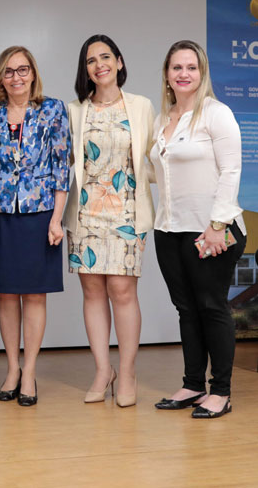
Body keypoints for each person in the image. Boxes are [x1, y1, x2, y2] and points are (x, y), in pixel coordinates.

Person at [150, 40, 246, 419]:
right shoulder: (163, 119)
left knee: (212, 306)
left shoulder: (216, 114)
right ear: (167, 74)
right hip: (169, 230)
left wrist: (217, 225)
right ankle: (193, 384)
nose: (184, 74)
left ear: (202, 73)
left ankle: (220, 391)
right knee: (186, 308)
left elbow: (232, 170)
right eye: (177, 67)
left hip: (212, 232)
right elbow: (161, 173)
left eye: (191, 67)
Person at [0, 45, 70, 407]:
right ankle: (12, 368)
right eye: (9, 71)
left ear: (33, 73)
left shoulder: (53, 110)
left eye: (23, 69)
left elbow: (62, 166)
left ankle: (29, 371)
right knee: (5, 293)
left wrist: (57, 218)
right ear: (1, 77)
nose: (17, 77)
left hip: (39, 212)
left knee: (33, 293)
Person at [64, 35, 155, 407]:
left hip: (128, 211)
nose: (98, 64)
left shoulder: (141, 106)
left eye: (105, 57)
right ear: (85, 70)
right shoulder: (75, 110)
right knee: (92, 292)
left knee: (122, 291)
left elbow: (155, 158)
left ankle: (128, 371)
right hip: (85, 211)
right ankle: (104, 370)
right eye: (90, 60)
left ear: (119, 62)